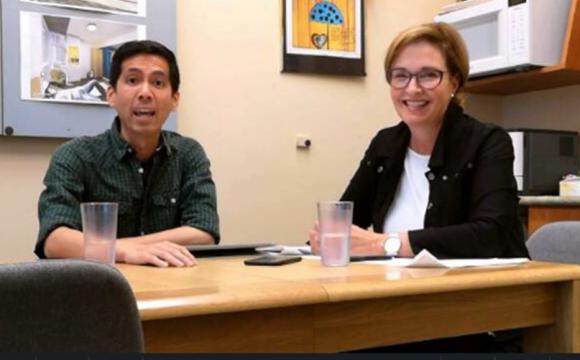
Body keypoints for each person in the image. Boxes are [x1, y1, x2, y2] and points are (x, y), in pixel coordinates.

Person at [309, 23, 528, 351]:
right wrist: (330, 236)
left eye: (428, 75)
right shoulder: (386, 144)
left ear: (454, 81)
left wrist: (385, 244)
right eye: (400, 76)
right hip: (396, 308)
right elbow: (346, 223)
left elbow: (489, 235)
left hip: (474, 318)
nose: (412, 89)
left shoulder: (487, 142)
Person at [36, 40, 219, 268]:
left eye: (158, 82)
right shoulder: (75, 156)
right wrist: (125, 251)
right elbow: (54, 240)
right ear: (111, 94)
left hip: (173, 291)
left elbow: (204, 232)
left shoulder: (189, 154)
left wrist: (120, 246)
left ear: (174, 100)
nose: (145, 92)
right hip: (98, 292)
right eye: (133, 80)